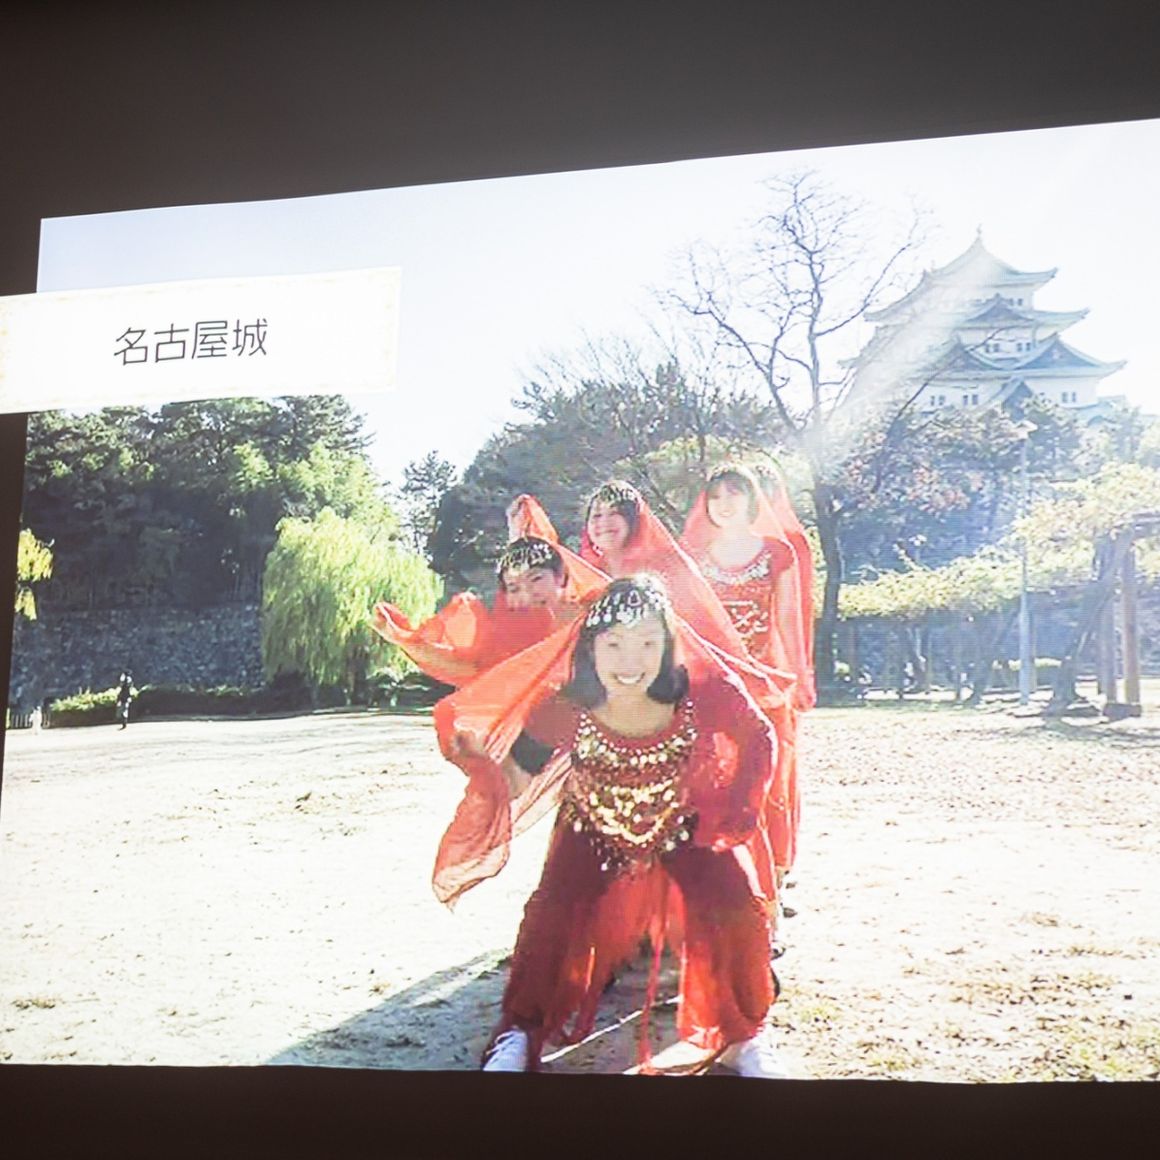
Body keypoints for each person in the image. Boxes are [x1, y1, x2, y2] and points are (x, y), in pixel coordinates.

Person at [432, 575, 790, 1077]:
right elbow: (515, 780)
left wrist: (738, 806)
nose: (630, 660)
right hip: (592, 829)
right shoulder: (564, 705)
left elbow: (759, 735)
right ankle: (519, 1033)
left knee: (735, 902)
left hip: (683, 824)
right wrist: (478, 766)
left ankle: (746, 1036)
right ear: (590, 647)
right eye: (614, 644)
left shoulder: (704, 689)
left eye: (647, 643)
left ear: (669, 645)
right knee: (551, 918)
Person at [682, 462, 815, 935]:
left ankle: (772, 890)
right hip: (711, 688)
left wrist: (797, 677)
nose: (724, 505)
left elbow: (788, 620)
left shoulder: (778, 554)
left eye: (734, 494)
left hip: (764, 688)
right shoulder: (693, 556)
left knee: (768, 786)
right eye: (715, 496)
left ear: (752, 500)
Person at [371, 497, 607, 686]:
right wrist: (403, 639)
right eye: (514, 588)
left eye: (536, 579)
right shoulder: (517, 635)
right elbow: (474, 667)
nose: (527, 593)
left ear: (561, 576)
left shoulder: (595, 610)